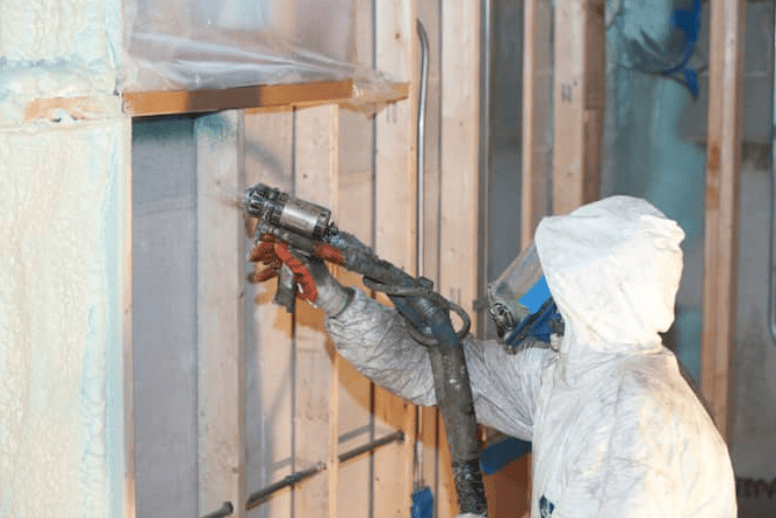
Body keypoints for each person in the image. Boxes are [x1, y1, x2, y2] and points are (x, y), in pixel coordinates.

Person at [254, 195, 737, 517]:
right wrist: (335, 300)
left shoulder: (637, 417)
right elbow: (436, 368)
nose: (538, 294)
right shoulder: (569, 377)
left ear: (596, 292)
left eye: (555, 280)